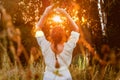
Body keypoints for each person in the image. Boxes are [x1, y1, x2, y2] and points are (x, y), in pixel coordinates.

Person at [35, 5, 80, 80]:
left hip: (48, 77)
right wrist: (65, 14)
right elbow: (76, 29)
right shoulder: (68, 47)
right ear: (63, 36)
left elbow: (37, 28)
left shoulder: (45, 45)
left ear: (51, 36)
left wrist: (46, 12)